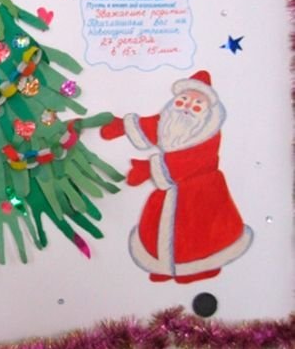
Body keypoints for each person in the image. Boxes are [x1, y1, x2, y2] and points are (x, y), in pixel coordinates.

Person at [101, 70, 252, 283]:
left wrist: (148, 169)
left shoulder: (209, 133)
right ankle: (163, 266)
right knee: (159, 228)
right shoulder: (172, 117)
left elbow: (192, 160)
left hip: (201, 193)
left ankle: (200, 268)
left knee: (197, 234)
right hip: (171, 189)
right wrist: (123, 126)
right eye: (184, 99)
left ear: (207, 108)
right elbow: (157, 126)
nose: (188, 106)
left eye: (197, 103)